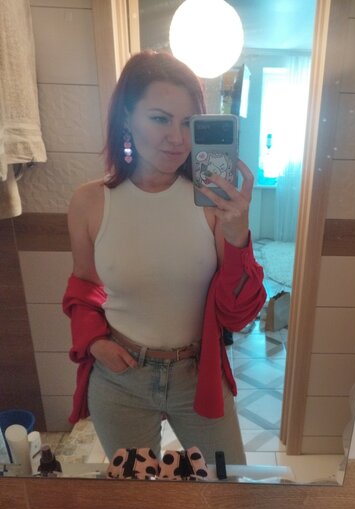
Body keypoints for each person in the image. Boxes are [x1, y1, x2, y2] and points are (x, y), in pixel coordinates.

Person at [62, 50, 266, 466]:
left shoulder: (212, 205)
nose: (178, 138)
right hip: (122, 378)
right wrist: (95, 342)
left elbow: (238, 315)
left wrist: (238, 237)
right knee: (140, 495)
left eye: (188, 123)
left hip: (197, 374)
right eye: (160, 119)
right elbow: (84, 288)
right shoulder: (89, 203)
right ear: (127, 119)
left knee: (227, 486)